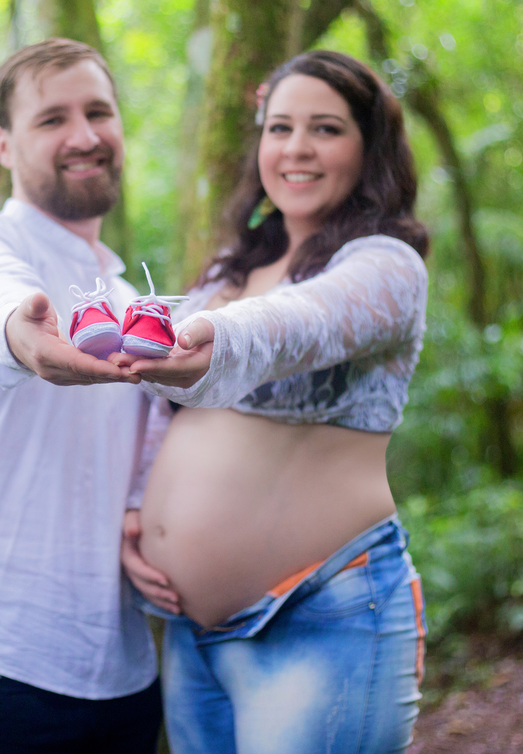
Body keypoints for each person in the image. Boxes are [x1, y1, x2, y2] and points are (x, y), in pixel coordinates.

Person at [118, 50, 431, 754]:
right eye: (279, 127)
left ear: (370, 147)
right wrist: (139, 511)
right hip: (193, 641)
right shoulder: (230, 271)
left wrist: (210, 337)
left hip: (319, 616)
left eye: (325, 129)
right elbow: (162, 416)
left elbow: (302, 323)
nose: (296, 148)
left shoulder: (386, 266)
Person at [0, 38, 162, 753]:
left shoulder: (129, 296)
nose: (84, 136)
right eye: (52, 119)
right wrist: (26, 332)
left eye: (98, 112)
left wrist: (141, 516)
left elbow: (146, 454)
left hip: (124, 674)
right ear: (5, 145)